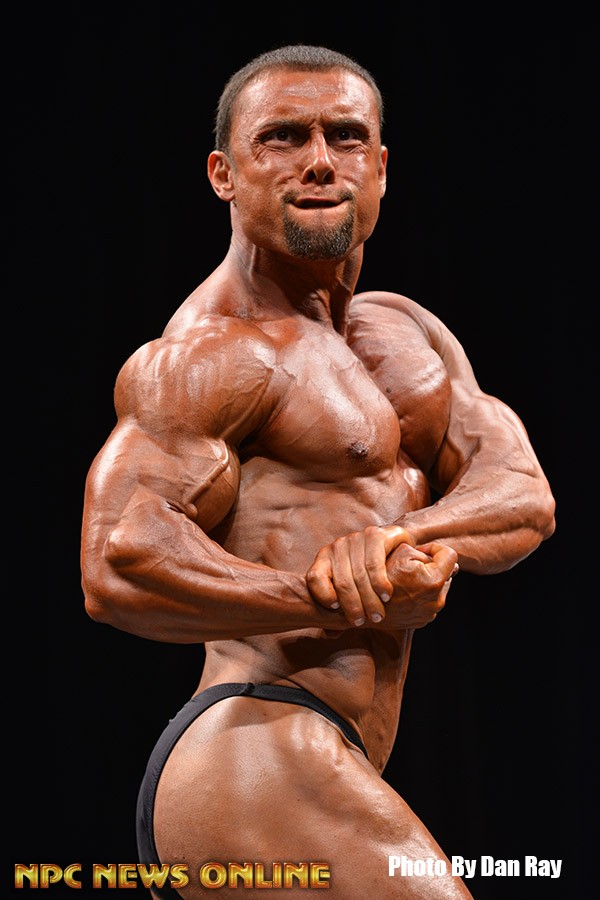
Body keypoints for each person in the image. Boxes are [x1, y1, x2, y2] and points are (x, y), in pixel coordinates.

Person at [80, 44, 556, 899]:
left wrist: (396, 539)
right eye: (283, 138)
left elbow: (523, 497)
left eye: (345, 136)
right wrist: (332, 595)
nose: (319, 161)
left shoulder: (404, 332)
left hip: (332, 751)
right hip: (255, 746)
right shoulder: (214, 352)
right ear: (224, 175)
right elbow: (118, 562)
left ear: (381, 167)